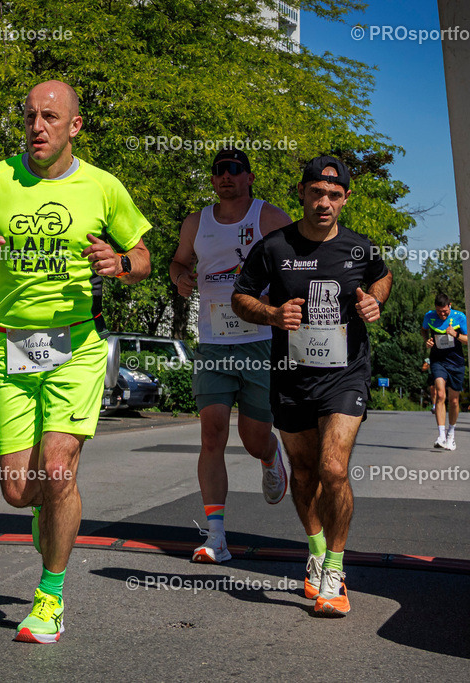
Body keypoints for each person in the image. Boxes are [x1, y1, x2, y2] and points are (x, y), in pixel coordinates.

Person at [0, 80, 151, 644]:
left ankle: (51, 597)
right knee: (19, 489)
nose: (37, 127)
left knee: (58, 470)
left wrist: (120, 263)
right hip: (10, 347)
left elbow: (143, 257)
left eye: (50, 117)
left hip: (75, 348)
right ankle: (46, 513)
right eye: (30, 116)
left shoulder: (103, 187)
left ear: (74, 126)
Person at [232, 155, 392, 616]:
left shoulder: (359, 249)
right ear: (301, 193)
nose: (325, 202)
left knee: (333, 469)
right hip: (291, 376)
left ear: (345, 199)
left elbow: (382, 279)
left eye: (334, 195)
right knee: (302, 473)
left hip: (345, 374)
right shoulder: (273, 247)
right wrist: (270, 313)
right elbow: (240, 296)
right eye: (317, 193)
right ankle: (317, 550)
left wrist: (372, 303)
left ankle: (336, 570)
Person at [169, 148, 292, 564]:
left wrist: (280, 301)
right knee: (212, 433)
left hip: (260, 339)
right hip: (214, 342)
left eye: (234, 170)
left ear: (249, 176)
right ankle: (216, 535)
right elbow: (178, 262)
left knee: (253, 438)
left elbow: (298, 263)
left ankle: (271, 455)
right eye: (219, 171)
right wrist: (182, 278)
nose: (226, 177)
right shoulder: (196, 222)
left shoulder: (270, 217)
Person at [422, 293, 468, 450]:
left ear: (450, 305)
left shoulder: (459, 317)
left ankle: (451, 434)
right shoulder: (429, 316)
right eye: (439, 311)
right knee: (440, 394)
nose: (442, 315)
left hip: (456, 362)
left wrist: (455, 334)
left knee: (454, 400)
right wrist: (427, 340)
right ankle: (441, 436)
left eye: (445, 312)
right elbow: (424, 330)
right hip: (438, 360)